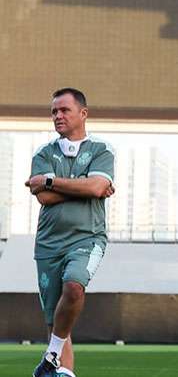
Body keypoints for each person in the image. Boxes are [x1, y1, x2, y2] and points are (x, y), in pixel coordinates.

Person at [26, 88, 115, 377]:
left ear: (83, 113)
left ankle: (51, 355)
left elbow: (96, 187)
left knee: (74, 286)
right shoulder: (43, 153)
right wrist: (86, 187)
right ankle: (62, 371)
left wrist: (51, 180)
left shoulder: (102, 150)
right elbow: (44, 198)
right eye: (54, 111)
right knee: (55, 320)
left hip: (87, 238)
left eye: (64, 110)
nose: (58, 116)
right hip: (49, 244)